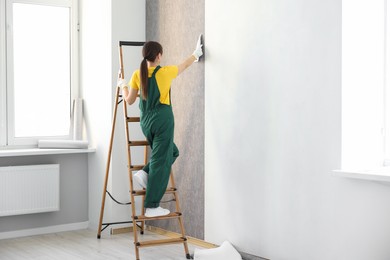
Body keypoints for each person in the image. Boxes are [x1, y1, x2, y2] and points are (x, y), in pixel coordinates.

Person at [118, 37, 203, 217]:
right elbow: (184, 65)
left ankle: (145, 172)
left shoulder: (137, 74)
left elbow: (130, 100)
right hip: (163, 121)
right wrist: (196, 53)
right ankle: (152, 206)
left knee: (171, 153)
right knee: (160, 160)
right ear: (159, 56)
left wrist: (122, 85)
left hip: (146, 123)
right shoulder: (165, 72)